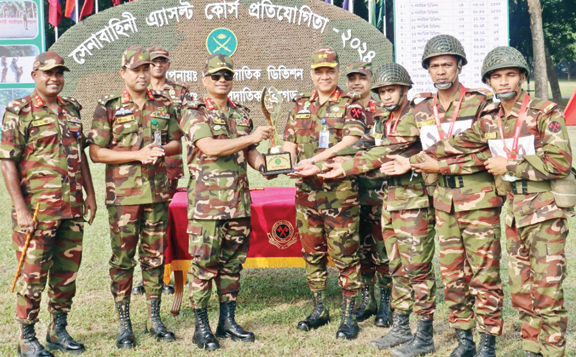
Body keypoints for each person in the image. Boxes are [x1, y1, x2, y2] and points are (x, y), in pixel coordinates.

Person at [405, 46, 572, 357]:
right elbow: (455, 144)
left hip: (544, 213)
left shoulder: (545, 112)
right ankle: (532, 349)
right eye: (496, 77)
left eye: (510, 75)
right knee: (522, 290)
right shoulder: (490, 119)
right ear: (490, 82)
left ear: (522, 77)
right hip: (513, 213)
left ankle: (553, 352)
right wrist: (415, 160)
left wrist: (510, 166)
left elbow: (560, 162)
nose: (504, 82)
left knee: (547, 292)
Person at [383, 34, 504, 357]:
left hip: (479, 202)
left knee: (484, 274)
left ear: (459, 66)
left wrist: (442, 165)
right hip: (443, 204)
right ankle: (464, 341)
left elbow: (493, 153)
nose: (440, 72)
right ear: (428, 69)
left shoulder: (481, 104)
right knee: (452, 276)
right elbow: (389, 146)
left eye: (447, 65)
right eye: (434, 66)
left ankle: (487, 345)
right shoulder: (422, 110)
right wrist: (337, 162)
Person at [320, 63, 437, 356]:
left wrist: (343, 168)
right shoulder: (383, 118)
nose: (385, 96)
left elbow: (384, 151)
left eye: (391, 90)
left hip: (415, 203)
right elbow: (367, 143)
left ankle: (424, 335)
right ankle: (400, 327)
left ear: (405, 89)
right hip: (392, 201)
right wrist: (325, 158)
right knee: (396, 267)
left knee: (417, 271)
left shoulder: (419, 114)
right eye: (382, 91)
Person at [0, 51, 96, 356]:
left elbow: (79, 157)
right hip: (38, 211)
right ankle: (27, 337)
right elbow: (7, 162)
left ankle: (58, 331)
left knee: (66, 274)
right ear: (35, 76)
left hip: (71, 209)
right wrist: (20, 208)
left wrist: (90, 196)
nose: (54, 78)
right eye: (48, 73)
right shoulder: (19, 110)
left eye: (59, 73)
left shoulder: (71, 110)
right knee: (33, 274)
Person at [87, 46, 182, 349]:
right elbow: (96, 152)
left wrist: (159, 151)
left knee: (154, 258)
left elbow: (177, 143)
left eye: (146, 69)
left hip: (157, 192)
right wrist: (137, 154)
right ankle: (124, 323)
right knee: (123, 260)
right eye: (136, 69)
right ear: (123, 72)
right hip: (124, 197)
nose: (142, 74)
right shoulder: (109, 106)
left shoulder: (164, 104)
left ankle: (154, 318)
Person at [182, 54, 273, 351]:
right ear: (205, 79)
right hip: (207, 207)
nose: (222, 81)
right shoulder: (194, 112)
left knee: (232, 266)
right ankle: (201, 328)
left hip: (238, 203)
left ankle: (227, 321)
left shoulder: (242, 114)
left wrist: (266, 167)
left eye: (227, 76)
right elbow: (208, 147)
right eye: (216, 76)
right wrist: (249, 140)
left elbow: (251, 154)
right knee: (204, 266)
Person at [282, 46, 366, 340]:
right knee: (312, 253)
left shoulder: (351, 104)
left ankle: (348, 315)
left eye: (330, 70)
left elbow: (354, 138)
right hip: (307, 194)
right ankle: (319, 308)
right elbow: (289, 141)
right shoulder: (300, 104)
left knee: (345, 255)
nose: (325, 76)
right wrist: (287, 163)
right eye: (319, 71)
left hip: (339, 194)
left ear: (338, 72)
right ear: (312, 74)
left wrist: (315, 161)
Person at [342, 62, 392, 326]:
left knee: (382, 249)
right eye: (352, 78)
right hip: (347, 193)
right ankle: (367, 298)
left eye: (362, 77)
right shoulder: (340, 110)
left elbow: (383, 146)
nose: (356, 83)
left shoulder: (382, 112)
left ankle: (386, 302)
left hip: (378, 193)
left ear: (371, 80)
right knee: (359, 250)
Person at [148, 45, 190, 197]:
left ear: (168, 65)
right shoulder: (139, 90)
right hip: (142, 156)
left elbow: (189, 120)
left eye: (162, 61)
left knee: (167, 206)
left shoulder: (179, 91)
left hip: (170, 158)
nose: (158, 65)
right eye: (154, 62)